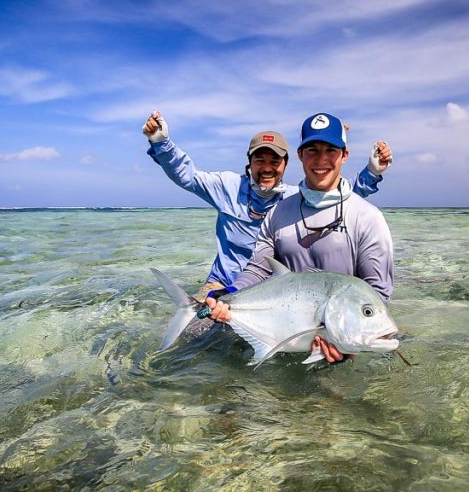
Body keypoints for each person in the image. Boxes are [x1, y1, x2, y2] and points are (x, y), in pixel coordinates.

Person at [204, 112, 394, 363]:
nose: (321, 159)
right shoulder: (278, 213)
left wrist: (348, 347)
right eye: (312, 150)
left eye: (331, 150)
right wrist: (229, 294)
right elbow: (259, 269)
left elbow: (377, 291)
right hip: (285, 338)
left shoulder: (367, 217)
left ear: (344, 155)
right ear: (301, 156)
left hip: (346, 343)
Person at [142, 111, 392, 300]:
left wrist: (372, 171)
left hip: (272, 292)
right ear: (249, 162)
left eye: (275, 160)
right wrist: (161, 142)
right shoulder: (225, 186)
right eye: (259, 159)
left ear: (286, 164)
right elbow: (187, 176)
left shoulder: (295, 199)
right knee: (194, 337)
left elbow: (341, 194)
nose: (267, 167)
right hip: (223, 286)